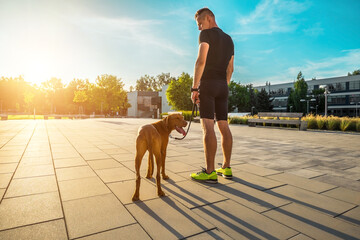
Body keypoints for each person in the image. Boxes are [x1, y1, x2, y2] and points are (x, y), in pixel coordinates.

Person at [190, 8, 234, 183]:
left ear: (209, 18)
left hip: (207, 85)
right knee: (224, 127)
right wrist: (223, 85)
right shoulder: (229, 39)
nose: (199, 28)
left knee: (208, 127)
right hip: (223, 86)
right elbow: (231, 68)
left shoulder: (206, 35)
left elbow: (201, 61)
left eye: (200, 23)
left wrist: (194, 88)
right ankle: (226, 167)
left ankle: (209, 172)